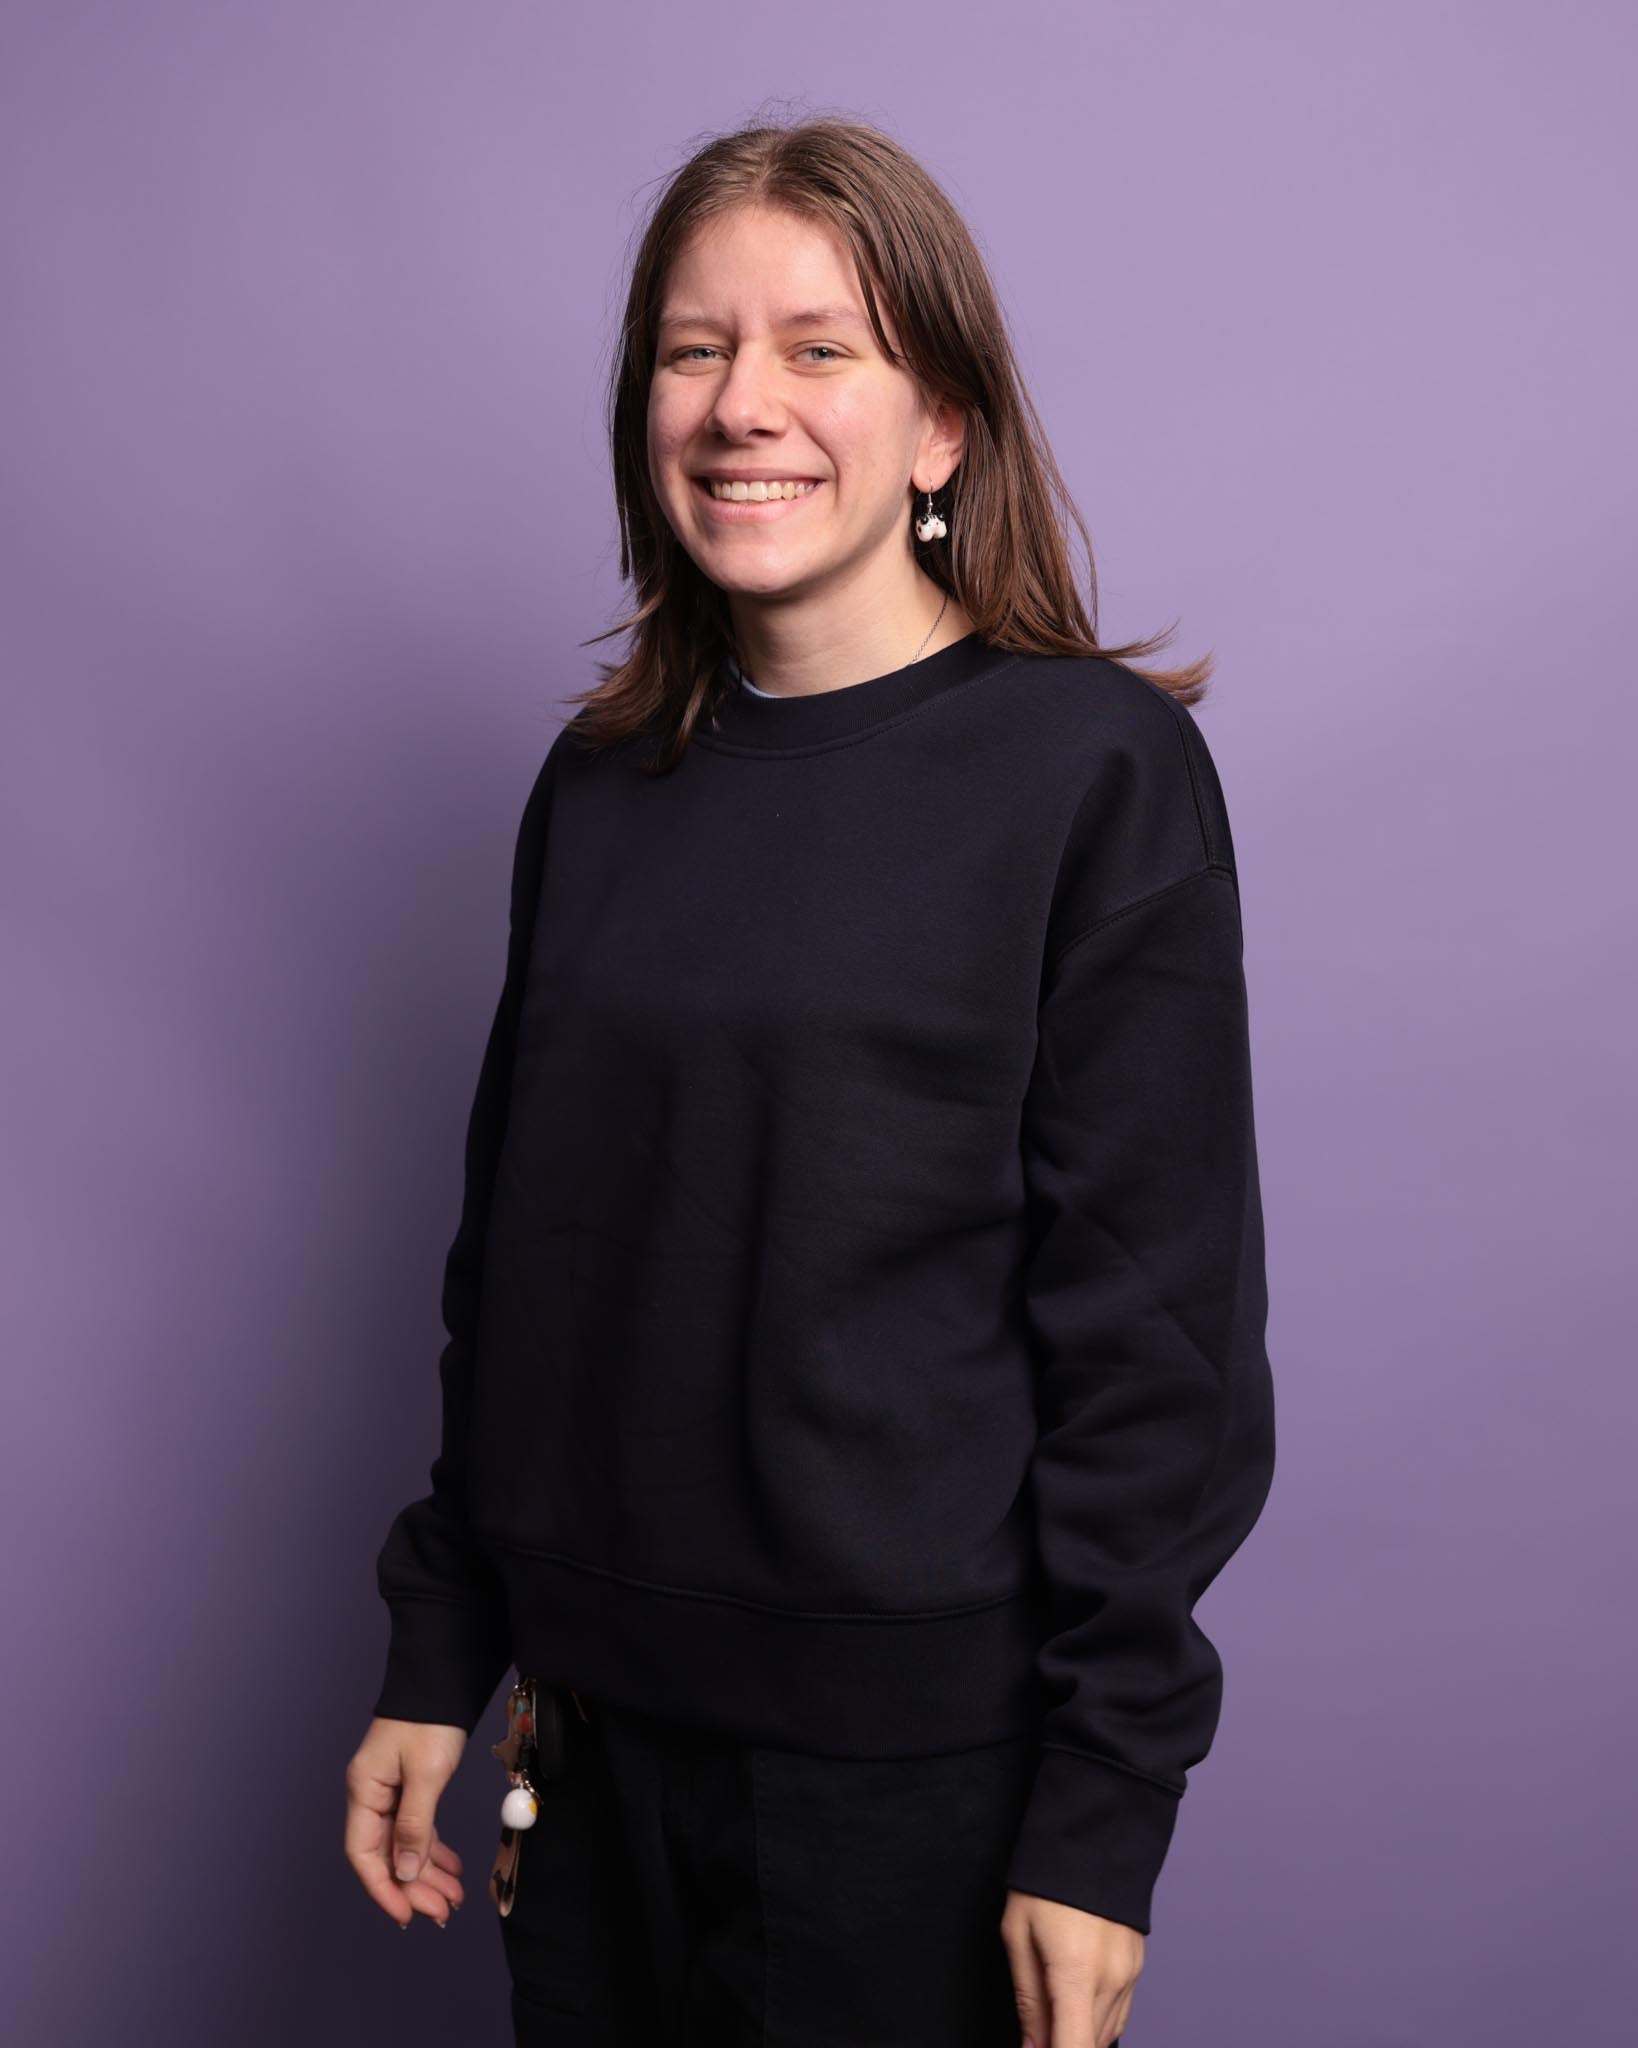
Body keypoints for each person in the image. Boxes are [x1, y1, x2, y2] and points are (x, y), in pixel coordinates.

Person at [343, 113, 1276, 2048]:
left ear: (941, 425)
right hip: (584, 1754)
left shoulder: (1087, 775)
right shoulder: (602, 788)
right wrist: (445, 1644)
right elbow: (523, 1265)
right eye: (692, 351)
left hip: (904, 1789)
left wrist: (1103, 1806)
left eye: (817, 348)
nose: (739, 405)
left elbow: (1157, 1348)